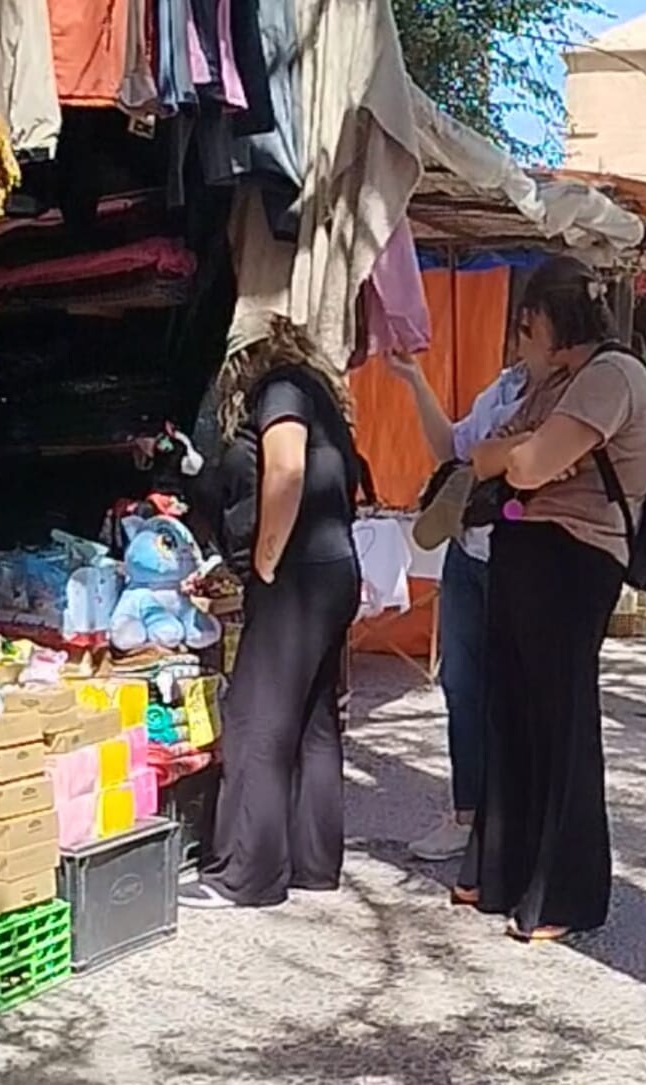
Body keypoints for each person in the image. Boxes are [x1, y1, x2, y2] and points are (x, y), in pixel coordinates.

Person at [456, 255, 646, 943]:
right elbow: (499, 449)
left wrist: (516, 453)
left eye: (526, 323)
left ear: (550, 317)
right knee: (510, 714)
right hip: (525, 552)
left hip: (574, 561)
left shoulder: (610, 376)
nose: (521, 339)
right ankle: (501, 871)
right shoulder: (557, 383)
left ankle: (566, 892)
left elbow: (529, 462)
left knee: (561, 720)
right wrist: (515, 450)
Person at [180, 320, 362, 908]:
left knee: (257, 717)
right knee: (312, 719)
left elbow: (285, 470)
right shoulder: (319, 394)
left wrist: (264, 557)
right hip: (334, 569)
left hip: (298, 574)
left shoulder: (280, 389)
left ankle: (246, 874)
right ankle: (313, 861)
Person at [384, 349, 532, 861]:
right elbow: (454, 445)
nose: (525, 340)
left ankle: (511, 820)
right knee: (461, 684)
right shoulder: (505, 383)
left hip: (520, 556)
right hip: (468, 548)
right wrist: (415, 381)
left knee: (512, 691)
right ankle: (466, 812)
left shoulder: (567, 388)